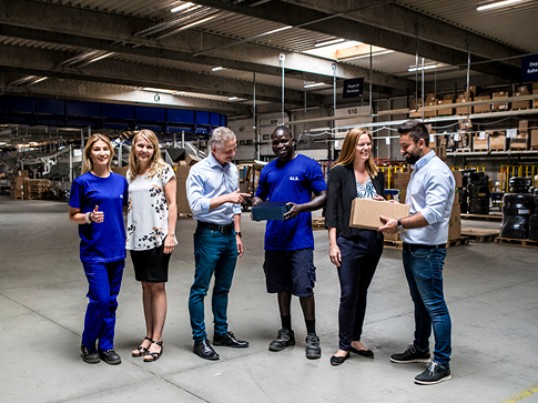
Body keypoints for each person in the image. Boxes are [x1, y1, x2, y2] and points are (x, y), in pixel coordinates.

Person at [378, 120, 455, 385]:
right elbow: (416, 207)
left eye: (406, 146)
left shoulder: (437, 172)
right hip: (413, 247)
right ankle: (421, 348)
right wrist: (393, 207)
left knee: (435, 305)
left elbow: (432, 214)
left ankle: (442, 363)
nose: (403, 151)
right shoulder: (420, 169)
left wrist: (398, 224)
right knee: (420, 302)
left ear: (421, 143)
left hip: (428, 250)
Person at [252, 125, 327, 360]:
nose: (279, 146)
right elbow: (260, 194)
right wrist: (256, 202)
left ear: (293, 140)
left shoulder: (308, 165)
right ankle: (286, 332)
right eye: (275, 142)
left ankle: (312, 335)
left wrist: (302, 208)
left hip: (300, 240)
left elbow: (324, 196)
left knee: (304, 287)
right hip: (274, 240)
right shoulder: (268, 170)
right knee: (281, 288)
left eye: (283, 141)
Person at [186, 126, 251, 361]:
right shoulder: (198, 171)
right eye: (228, 151)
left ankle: (221, 333)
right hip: (208, 235)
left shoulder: (232, 170)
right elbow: (195, 206)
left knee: (223, 288)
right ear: (214, 149)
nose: (232, 154)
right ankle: (199, 339)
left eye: (234, 150)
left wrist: (237, 233)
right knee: (200, 289)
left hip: (228, 236)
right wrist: (226, 197)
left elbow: (236, 205)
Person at [325, 128, 385, 366]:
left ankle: (355, 339)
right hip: (348, 241)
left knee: (362, 292)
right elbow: (331, 210)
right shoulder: (339, 172)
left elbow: (378, 209)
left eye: (368, 144)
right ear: (351, 146)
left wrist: (382, 203)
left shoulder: (376, 173)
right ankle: (343, 345)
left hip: (372, 241)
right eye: (361, 144)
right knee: (349, 293)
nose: (366, 148)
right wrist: (333, 243)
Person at [69, 133, 129, 365]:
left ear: (111, 152)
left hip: (117, 250)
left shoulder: (120, 181)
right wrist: (88, 217)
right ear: (90, 154)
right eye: (97, 149)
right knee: (100, 299)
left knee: (112, 301)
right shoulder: (82, 182)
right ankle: (88, 342)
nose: (102, 153)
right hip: (94, 252)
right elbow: (73, 216)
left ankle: (106, 346)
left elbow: (122, 210)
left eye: (106, 149)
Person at [126, 129, 177, 363]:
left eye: (148, 146)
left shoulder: (164, 171)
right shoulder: (131, 173)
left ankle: (158, 339)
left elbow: (173, 204)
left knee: (157, 286)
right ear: (134, 148)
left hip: (158, 238)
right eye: (140, 145)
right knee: (145, 286)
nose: (144, 150)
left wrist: (170, 235)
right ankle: (147, 335)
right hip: (137, 238)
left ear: (154, 148)